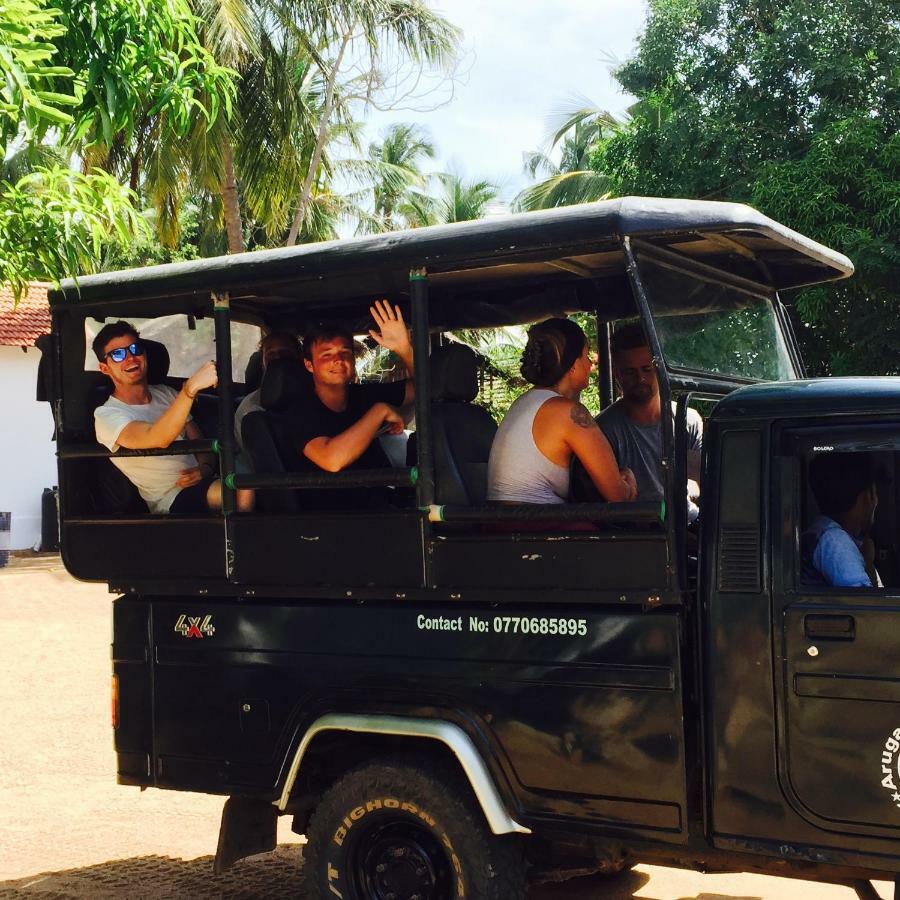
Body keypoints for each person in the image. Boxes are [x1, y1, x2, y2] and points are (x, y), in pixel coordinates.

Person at [93, 321, 254, 515]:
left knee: (258, 478)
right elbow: (157, 438)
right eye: (118, 354)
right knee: (242, 491)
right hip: (171, 498)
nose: (131, 358)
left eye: (135, 349)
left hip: (204, 481)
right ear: (104, 368)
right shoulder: (107, 415)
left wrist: (204, 467)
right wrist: (189, 389)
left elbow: (198, 440)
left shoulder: (165, 393)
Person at [487, 318, 637, 504]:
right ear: (573, 365)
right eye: (585, 355)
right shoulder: (568, 412)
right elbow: (617, 495)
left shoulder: (524, 402)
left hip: (502, 524)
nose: (590, 363)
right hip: (536, 526)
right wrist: (628, 479)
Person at [290, 300, 414, 475]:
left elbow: (422, 389)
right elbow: (331, 460)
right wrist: (379, 412)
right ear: (309, 365)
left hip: (384, 496)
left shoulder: (363, 395)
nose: (339, 359)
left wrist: (404, 350)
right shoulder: (299, 409)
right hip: (333, 502)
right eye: (327, 354)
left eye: (345, 352)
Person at [597, 323, 702, 510]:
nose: (640, 379)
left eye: (647, 369)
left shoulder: (688, 420)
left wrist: (689, 487)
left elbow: (703, 481)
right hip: (635, 531)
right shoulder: (602, 430)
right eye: (630, 372)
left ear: (660, 368)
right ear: (617, 374)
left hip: (685, 523)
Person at [802, 452, 883, 588]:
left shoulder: (821, 532)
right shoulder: (835, 541)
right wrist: (868, 565)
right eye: (875, 492)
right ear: (867, 498)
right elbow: (867, 604)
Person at [234, 330, 303, 451]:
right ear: (262, 363)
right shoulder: (251, 408)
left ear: (300, 358)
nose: (278, 358)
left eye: (285, 352)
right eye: (271, 354)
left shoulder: (315, 395)